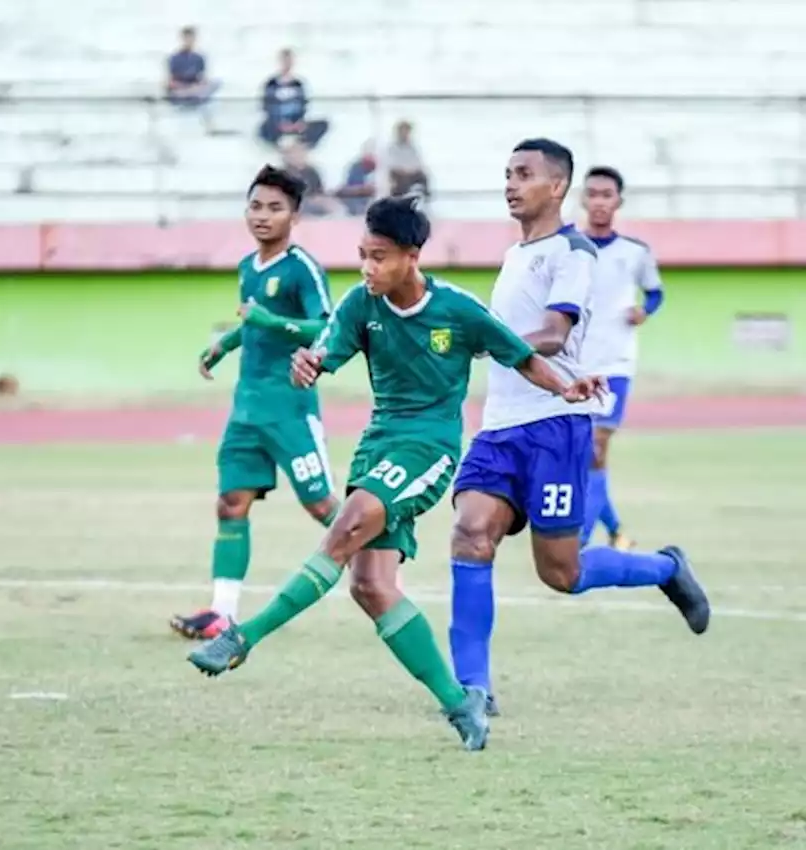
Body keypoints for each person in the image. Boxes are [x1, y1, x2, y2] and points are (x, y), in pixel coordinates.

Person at [186, 196, 604, 752]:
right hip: (376, 446)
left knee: (346, 526)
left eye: (378, 257)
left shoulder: (457, 309)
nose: (366, 268)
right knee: (371, 586)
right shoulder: (361, 303)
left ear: (411, 256)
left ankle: (242, 638)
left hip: (428, 448)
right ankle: (460, 705)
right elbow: (323, 352)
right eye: (362, 255)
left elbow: (520, 356)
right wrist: (307, 364)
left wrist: (566, 386)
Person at [447, 140, 709, 718]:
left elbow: (553, 333)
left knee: (562, 573)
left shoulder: (574, 251)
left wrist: (475, 341)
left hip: (555, 426)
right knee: (470, 534)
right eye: (507, 173)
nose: (510, 184)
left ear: (557, 186)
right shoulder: (515, 255)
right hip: (500, 429)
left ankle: (666, 567)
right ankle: (471, 689)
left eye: (524, 174)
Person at [170, 165, 338, 641]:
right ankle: (222, 612)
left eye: (275, 208)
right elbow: (254, 321)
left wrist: (268, 321)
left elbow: (324, 328)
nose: (263, 216)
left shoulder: (302, 268)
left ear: (295, 216)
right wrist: (226, 343)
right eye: (256, 206)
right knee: (230, 503)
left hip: (290, 408)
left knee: (324, 507)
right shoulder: (248, 267)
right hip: (247, 410)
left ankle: (385, 569)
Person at [578, 165, 664, 549]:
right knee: (581, 454)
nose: (599, 201)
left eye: (606, 194)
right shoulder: (568, 249)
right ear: (583, 199)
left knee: (596, 447)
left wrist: (644, 311)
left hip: (615, 364)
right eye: (592, 193)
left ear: (618, 201)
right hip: (573, 365)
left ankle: (579, 539)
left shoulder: (636, 252)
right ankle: (615, 531)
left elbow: (655, 293)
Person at [258, 48, 329, 149]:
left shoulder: (298, 84)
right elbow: (267, 106)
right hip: (277, 124)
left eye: (290, 61)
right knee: (265, 128)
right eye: (285, 61)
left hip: (295, 124)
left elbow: (303, 105)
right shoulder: (271, 83)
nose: (287, 64)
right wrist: (281, 123)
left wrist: (297, 123)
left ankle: (303, 145)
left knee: (322, 124)